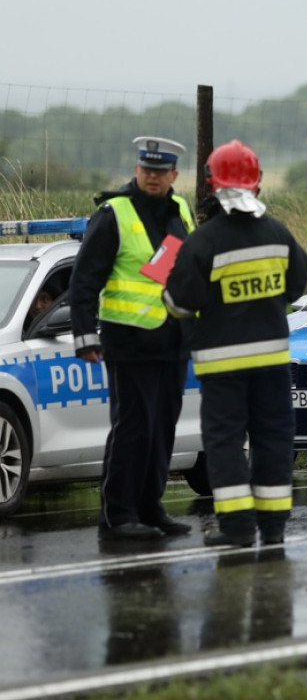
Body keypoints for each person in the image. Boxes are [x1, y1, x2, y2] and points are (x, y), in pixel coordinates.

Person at [163, 140, 307, 548]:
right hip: (273, 364)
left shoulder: (204, 241)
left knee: (225, 442)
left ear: (212, 184)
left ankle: (238, 528)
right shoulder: (279, 233)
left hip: (221, 367)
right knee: (274, 439)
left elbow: (177, 303)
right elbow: (298, 283)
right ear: (257, 183)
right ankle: (274, 527)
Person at [69, 136, 196, 541]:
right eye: (147, 170)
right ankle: (119, 514)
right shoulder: (114, 213)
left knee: (162, 428)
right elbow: (85, 279)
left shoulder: (180, 210)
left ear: (174, 175)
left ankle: (150, 507)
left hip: (173, 339)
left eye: (160, 172)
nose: (153, 177)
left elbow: (190, 271)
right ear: (136, 170)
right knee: (133, 428)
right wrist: (85, 335)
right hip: (129, 342)